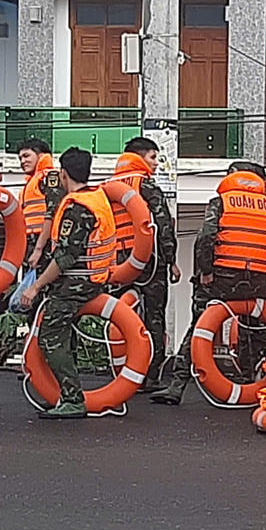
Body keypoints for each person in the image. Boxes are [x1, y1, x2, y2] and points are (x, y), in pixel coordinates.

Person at [151, 162, 266, 405]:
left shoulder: (221, 202)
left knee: (199, 325)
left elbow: (206, 236)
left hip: (222, 279)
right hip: (258, 281)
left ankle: (176, 386)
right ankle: (256, 383)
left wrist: (205, 271)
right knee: (257, 328)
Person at [17, 148, 116, 420]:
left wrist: (35, 287)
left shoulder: (76, 208)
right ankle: (64, 394)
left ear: (63, 174)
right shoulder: (97, 198)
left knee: (49, 336)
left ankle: (73, 398)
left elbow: (65, 256)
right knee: (64, 336)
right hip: (95, 279)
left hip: (77, 284)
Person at [109, 137, 179, 391]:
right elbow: (162, 224)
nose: (157, 164)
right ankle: (150, 376)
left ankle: (123, 371)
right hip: (150, 263)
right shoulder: (147, 186)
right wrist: (171, 260)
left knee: (118, 316)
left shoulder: (109, 186)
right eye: (153, 158)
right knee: (154, 318)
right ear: (139, 158)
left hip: (119, 262)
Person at [19, 138, 65, 272]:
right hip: (31, 242)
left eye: (26, 156)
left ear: (41, 156)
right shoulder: (31, 182)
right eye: (20, 158)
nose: (22, 161)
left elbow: (53, 211)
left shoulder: (50, 177)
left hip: (44, 243)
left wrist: (39, 248)